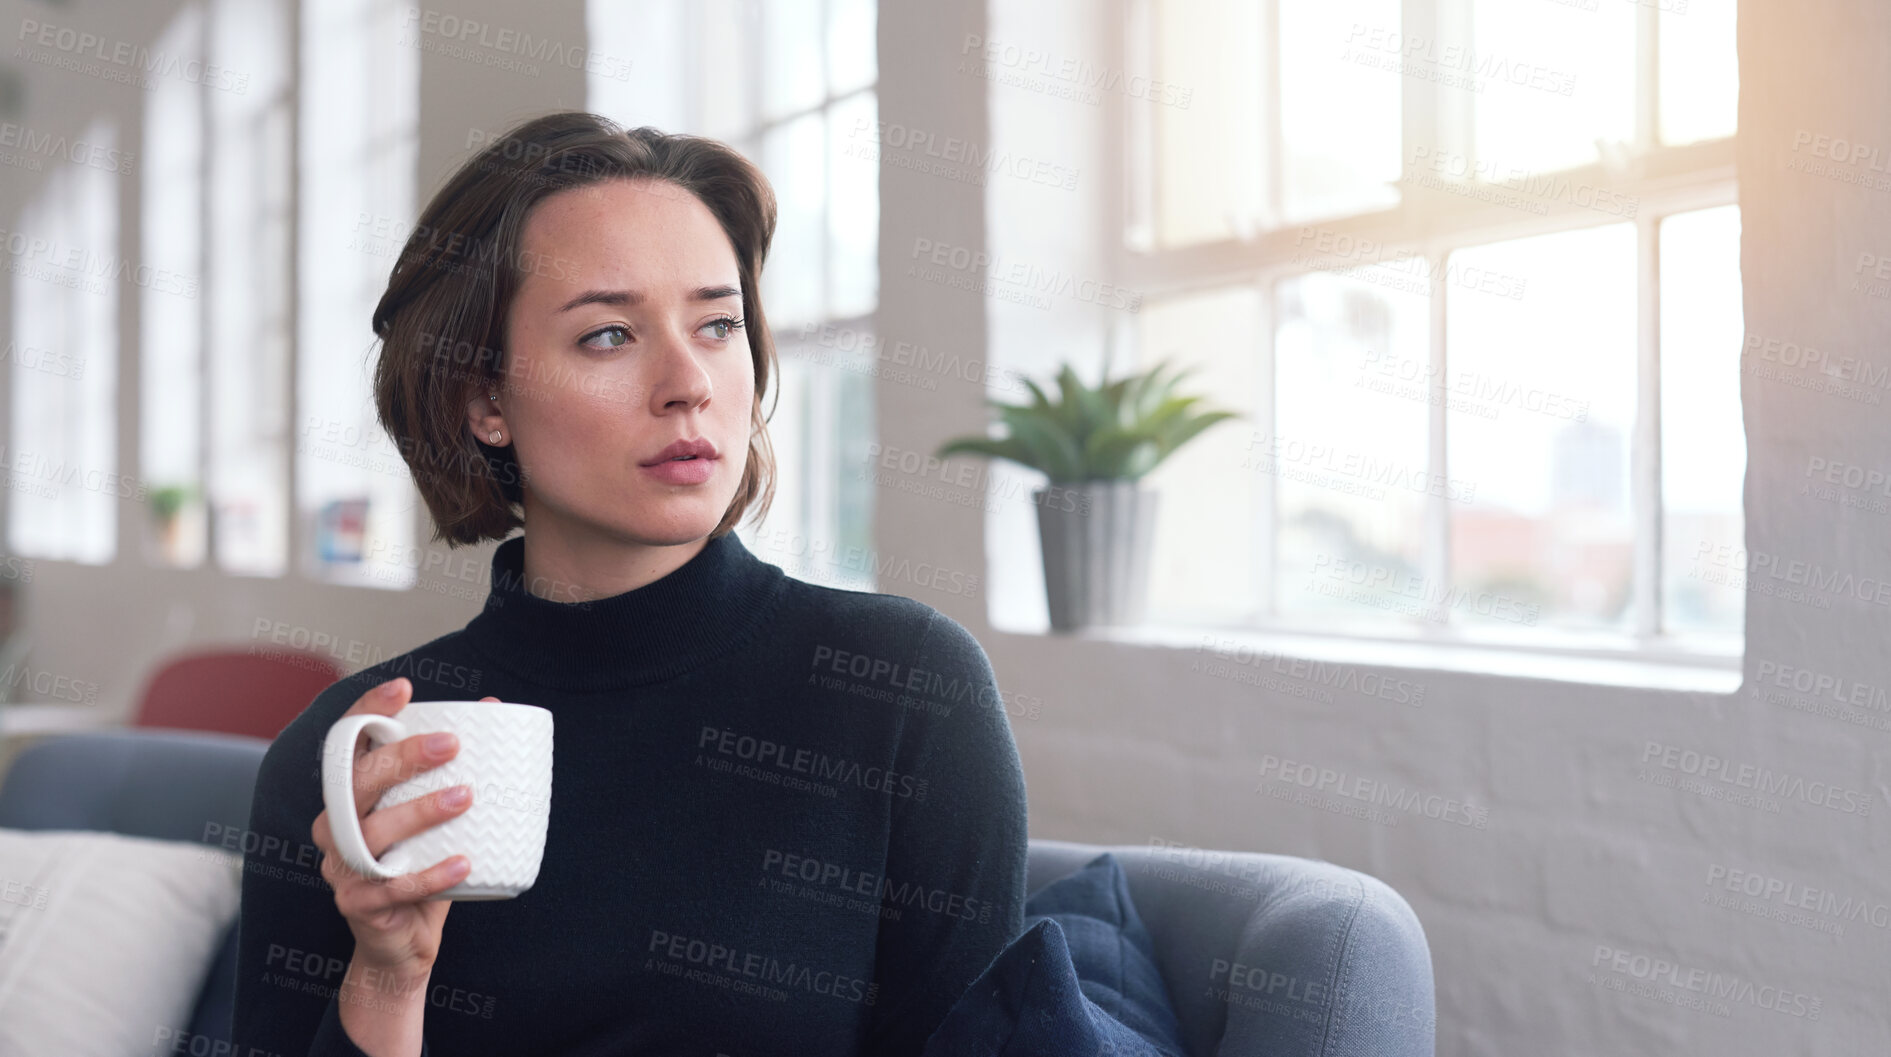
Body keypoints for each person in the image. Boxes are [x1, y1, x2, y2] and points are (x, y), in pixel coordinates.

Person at [233, 110, 1028, 1057]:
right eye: (610, 335)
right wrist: (387, 976)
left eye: (718, 323)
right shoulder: (345, 760)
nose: (688, 380)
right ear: (484, 400)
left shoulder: (903, 688)